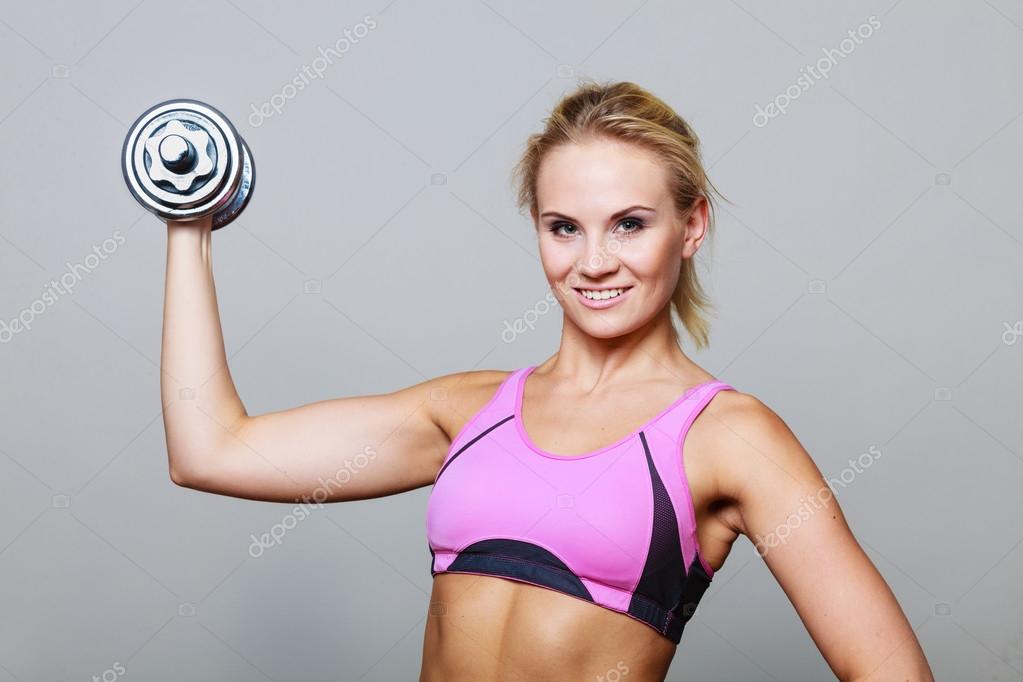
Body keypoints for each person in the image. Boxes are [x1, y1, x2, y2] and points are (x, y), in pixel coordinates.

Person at [162, 80, 934, 681]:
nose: (593, 261)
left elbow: (887, 668)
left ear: (691, 226)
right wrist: (187, 222)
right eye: (563, 226)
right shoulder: (467, 411)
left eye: (630, 223)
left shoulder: (727, 438)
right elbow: (212, 450)